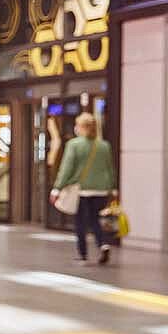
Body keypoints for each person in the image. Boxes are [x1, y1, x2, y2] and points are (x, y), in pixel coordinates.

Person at [51, 113, 118, 265]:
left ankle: (83, 255)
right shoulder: (103, 145)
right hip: (101, 190)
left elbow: (66, 168)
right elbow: (110, 169)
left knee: (80, 222)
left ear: (81, 127)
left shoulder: (74, 145)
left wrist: (57, 188)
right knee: (95, 219)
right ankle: (103, 244)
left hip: (82, 189)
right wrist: (113, 188)